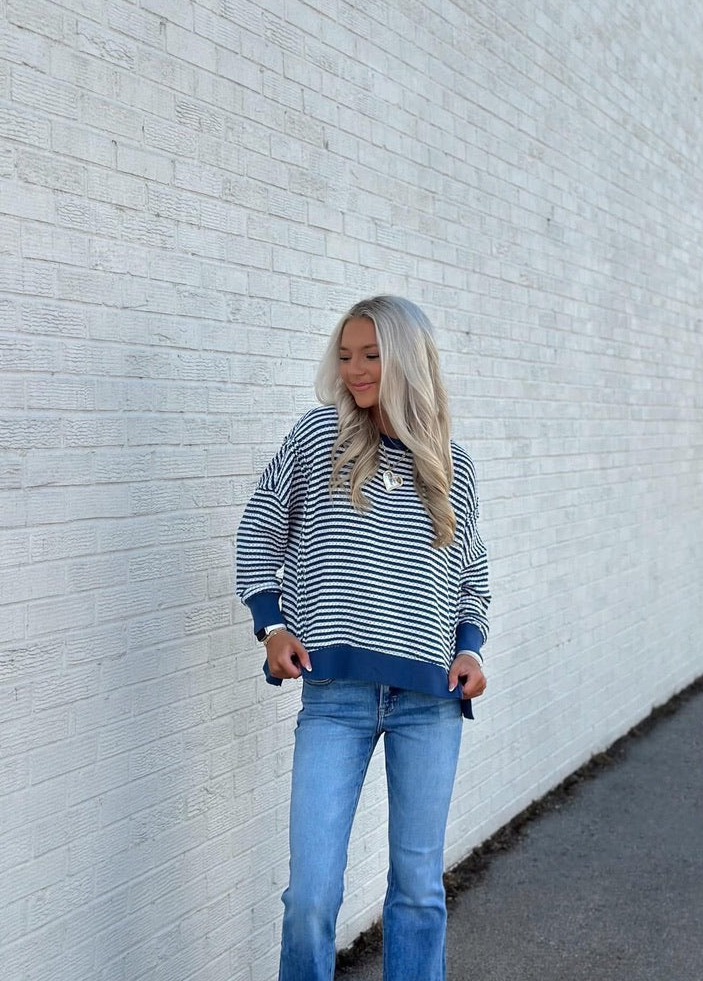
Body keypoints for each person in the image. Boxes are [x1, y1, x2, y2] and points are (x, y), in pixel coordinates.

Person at [236, 295, 491, 981]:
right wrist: (272, 624)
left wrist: (471, 648)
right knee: (311, 897)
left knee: (418, 892)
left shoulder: (453, 466)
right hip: (335, 699)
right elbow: (259, 532)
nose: (354, 369)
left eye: (371, 355)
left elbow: (471, 578)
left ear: (408, 360)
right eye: (346, 355)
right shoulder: (317, 438)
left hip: (429, 703)